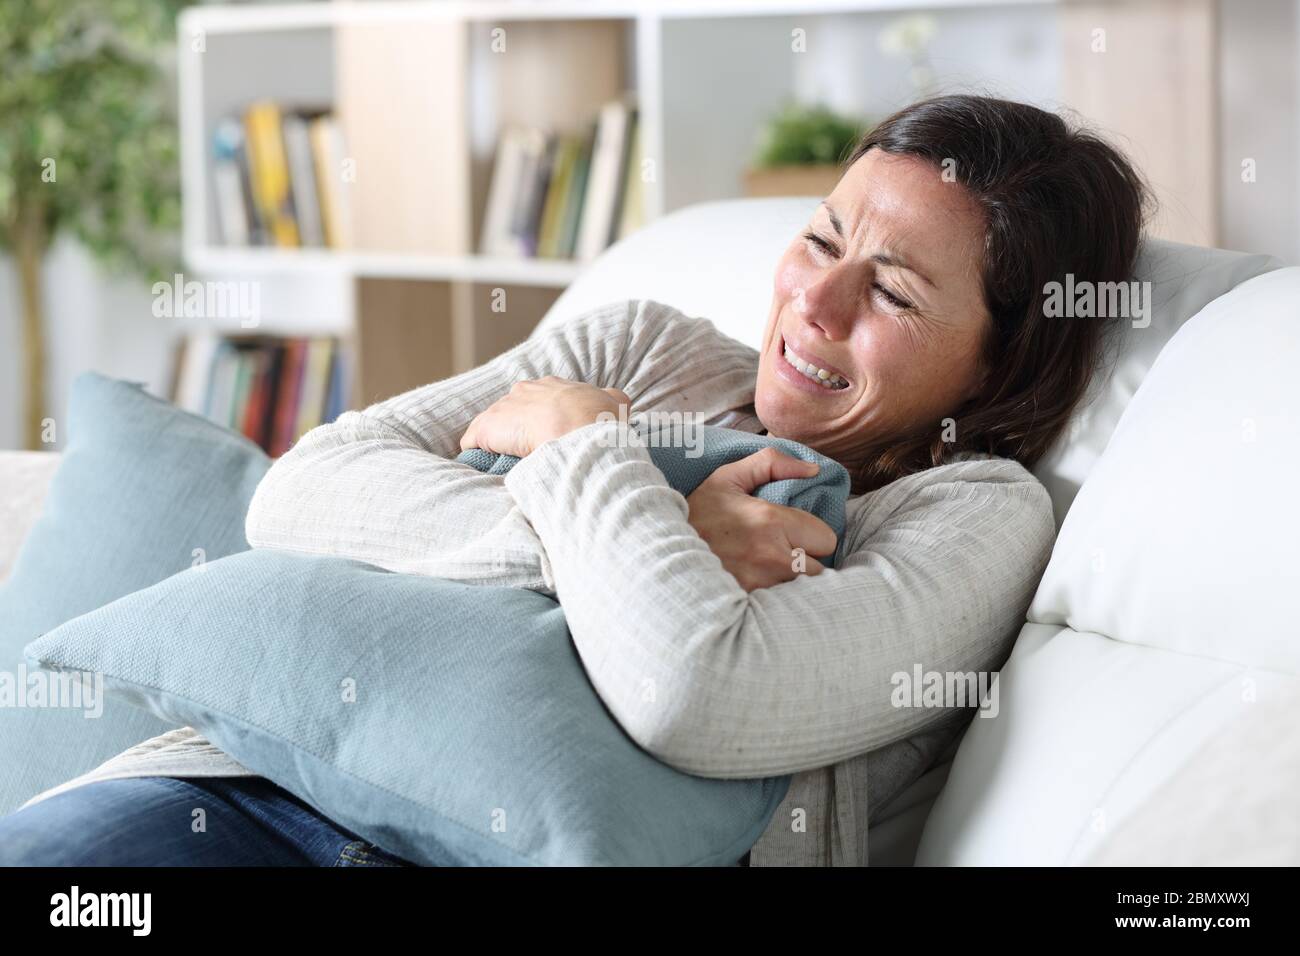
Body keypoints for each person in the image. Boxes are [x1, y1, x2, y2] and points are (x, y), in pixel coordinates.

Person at [0, 94, 1150, 867]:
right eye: (819, 238)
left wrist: (584, 451)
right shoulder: (639, 350)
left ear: (1004, 357)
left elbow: (696, 688)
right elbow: (304, 489)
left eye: (892, 292)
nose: (817, 301)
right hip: (235, 791)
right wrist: (651, 522)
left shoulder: (972, 513)